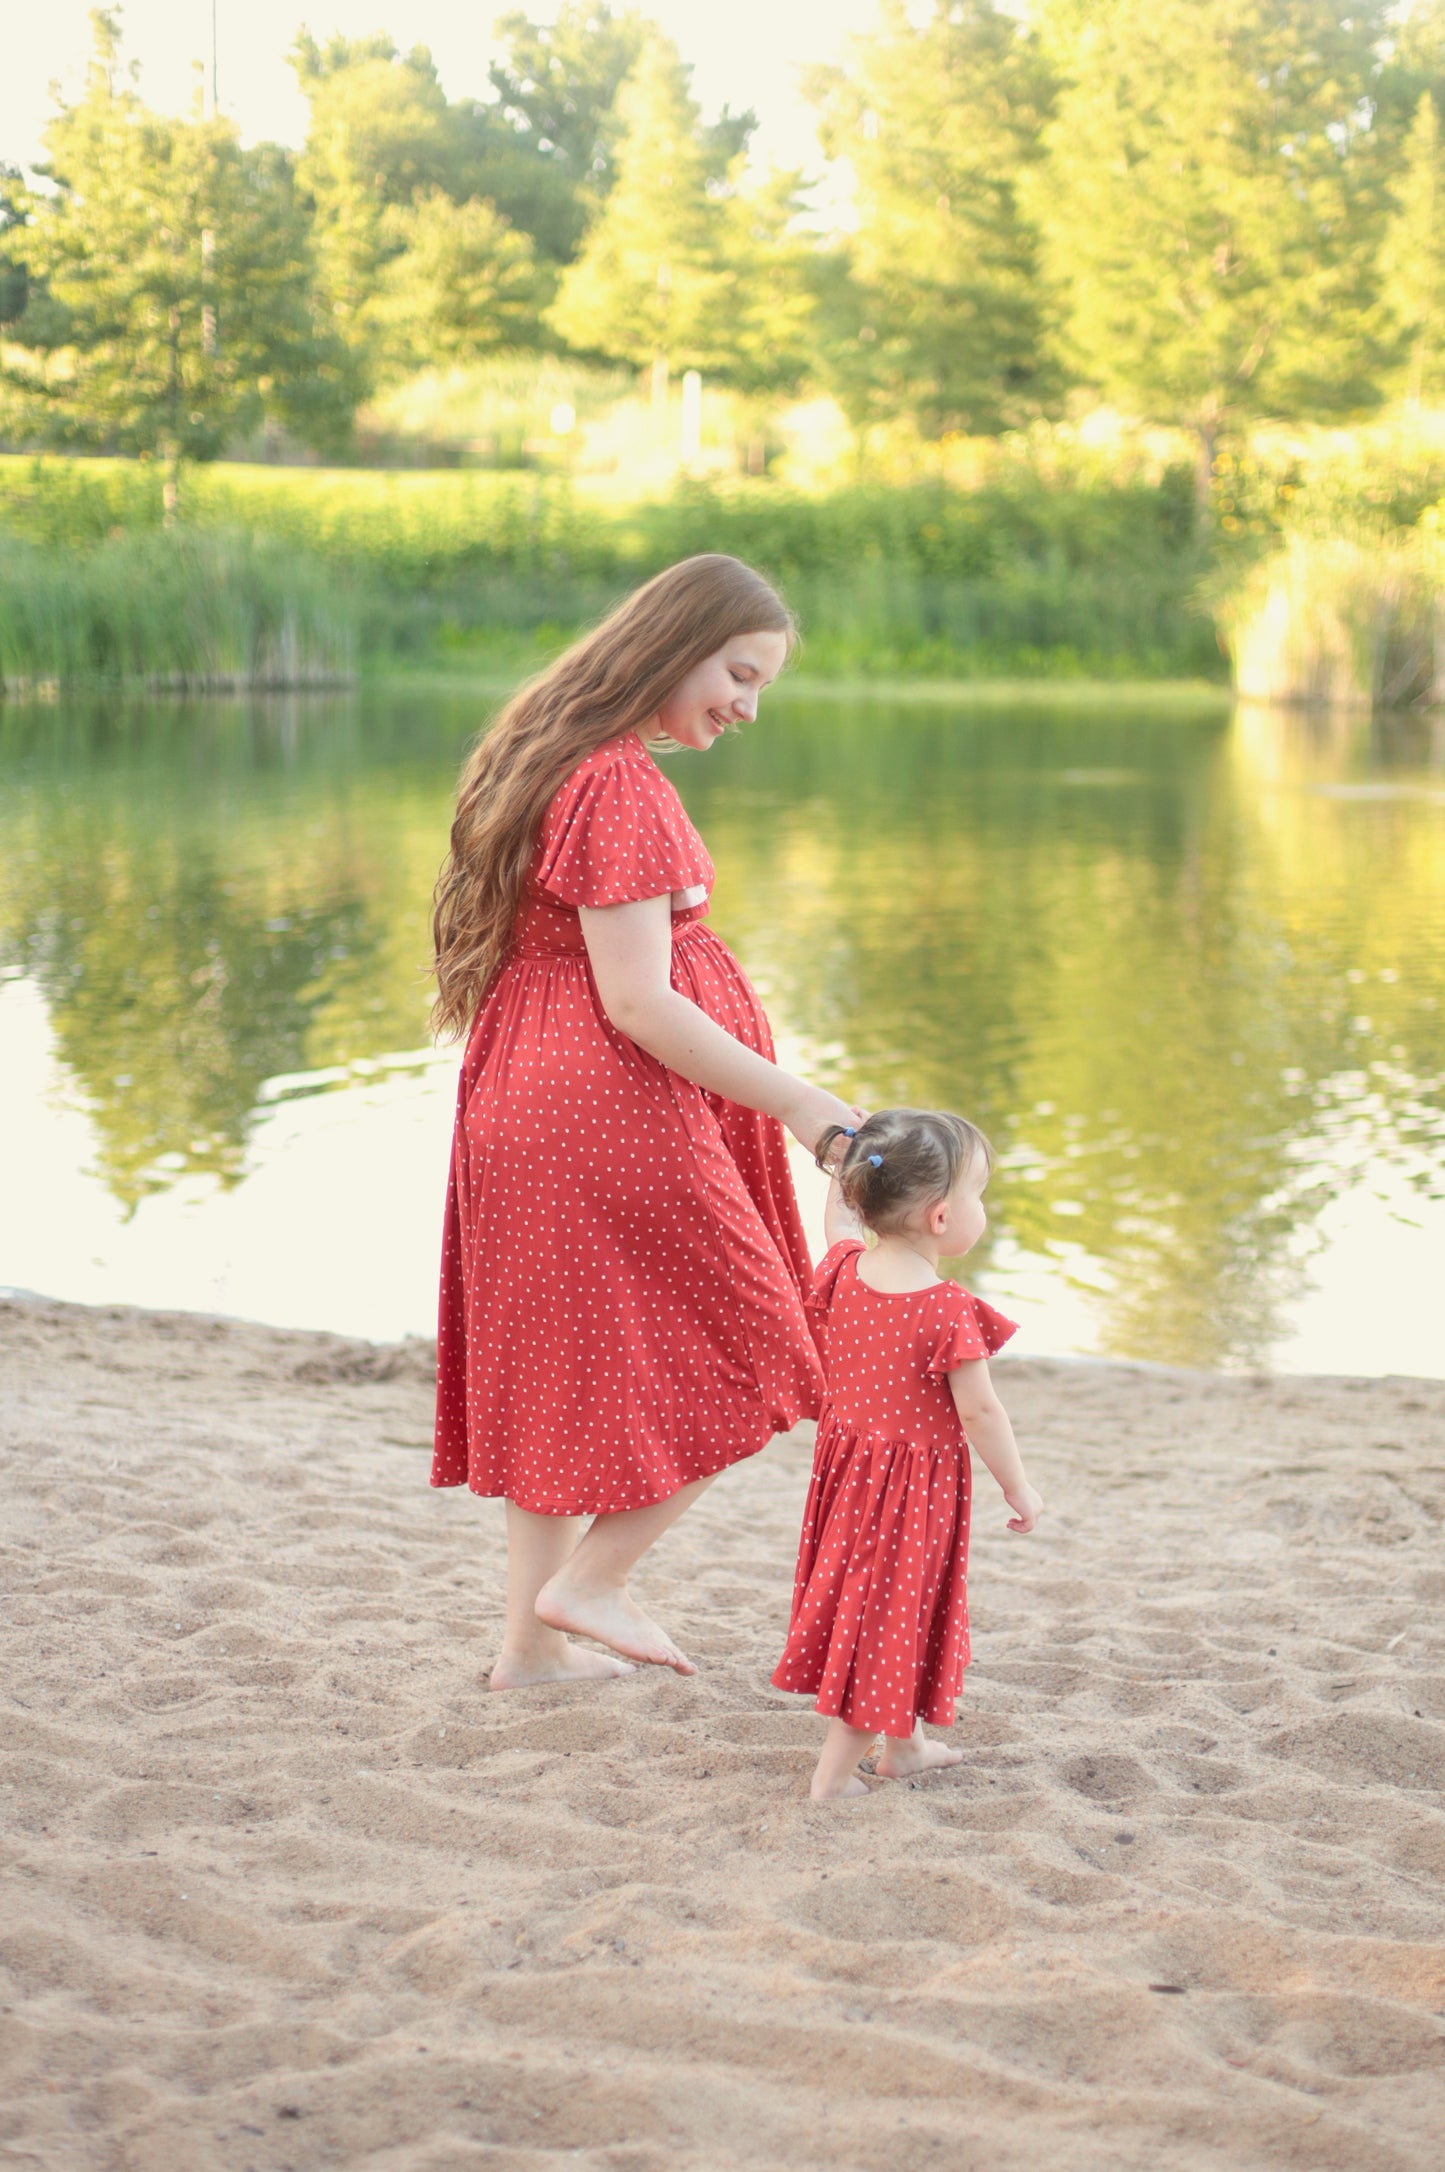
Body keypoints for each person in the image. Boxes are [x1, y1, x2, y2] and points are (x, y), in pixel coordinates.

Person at [429, 555, 861, 1690]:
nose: (747, 705)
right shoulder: (618, 786)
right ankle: (594, 1582)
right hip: (602, 1106)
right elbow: (637, 999)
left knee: (562, 1373)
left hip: (528, 1092)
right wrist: (804, 1107)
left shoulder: (548, 751)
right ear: (673, 644)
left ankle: (528, 1651)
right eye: (736, 671)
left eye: (759, 683)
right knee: (768, 1341)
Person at [771, 1108, 1043, 1800]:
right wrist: (1018, 1488)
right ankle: (832, 1777)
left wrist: (841, 1164)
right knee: (886, 1624)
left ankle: (907, 1747)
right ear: (942, 1218)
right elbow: (980, 1411)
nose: (983, 1209)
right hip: (908, 1498)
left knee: (884, 1610)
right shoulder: (945, 1309)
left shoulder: (843, 1271)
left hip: (846, 1485)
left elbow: (835, 1223)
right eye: (978, 1195)